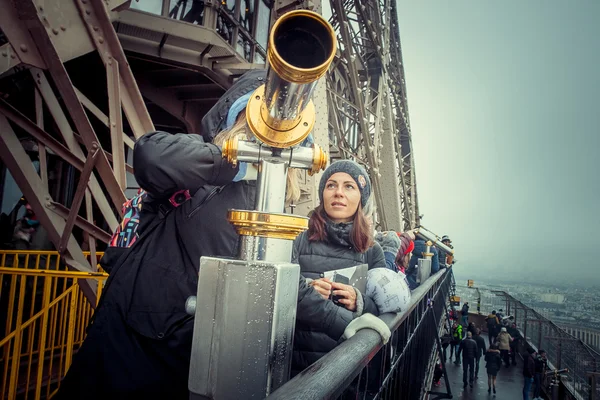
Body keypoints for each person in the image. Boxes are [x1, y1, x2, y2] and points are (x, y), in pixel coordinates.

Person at [55, 70, 361, 399]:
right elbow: (150, 155)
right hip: (126, 349)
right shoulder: (204, 168)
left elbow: (284, 278)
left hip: (186, 363)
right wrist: (236, 162)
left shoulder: (269, 198)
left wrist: (345, 324)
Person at [292, 160, 387, 373]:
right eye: (331, 185)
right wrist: (308, 287)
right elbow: (283, 291)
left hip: (348, 365)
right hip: (296, 360)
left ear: (361, 199)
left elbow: (384, 309)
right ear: (323, 193)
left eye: (349, 186)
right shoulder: (297, 238)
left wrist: (360, 302)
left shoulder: (373, 251)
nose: (338, 193)